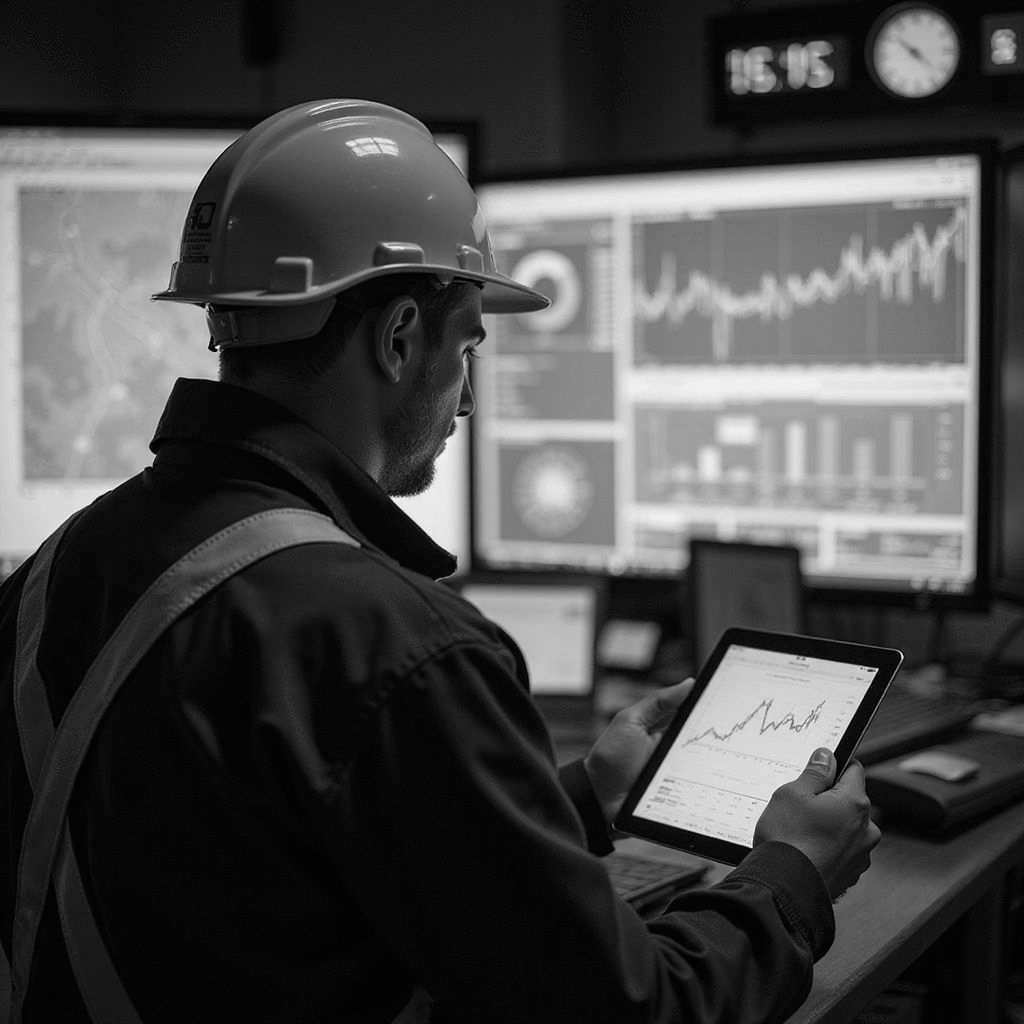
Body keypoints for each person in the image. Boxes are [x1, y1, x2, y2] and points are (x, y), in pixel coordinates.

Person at [0, 99, 880, 1024]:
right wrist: (791, 877)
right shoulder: (402, 644)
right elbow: (636, 1011)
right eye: (467, 347)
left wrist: (585, 793)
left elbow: (263, 874)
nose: (465, 403)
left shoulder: (63, 563)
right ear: (399, 339)